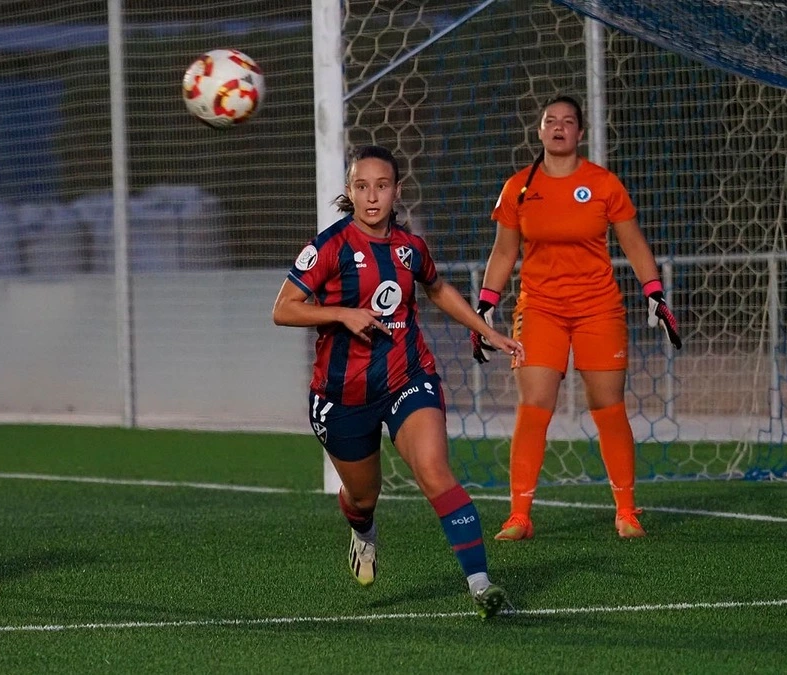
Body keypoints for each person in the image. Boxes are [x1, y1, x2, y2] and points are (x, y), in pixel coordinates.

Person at [272, 145, 525, 618]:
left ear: (396, 191)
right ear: (349, 191)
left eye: (381, 186)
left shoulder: (410, 248)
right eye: (362, 187)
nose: (372, 197)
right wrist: (342, 314)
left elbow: (437, 288)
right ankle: (363, 532)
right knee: (364, 496)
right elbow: (282, 309)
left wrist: (486, 329)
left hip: (407, 375)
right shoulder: (328, 247)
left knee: (434, 471)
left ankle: (481, 583)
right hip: (341, 395)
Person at [471, 95, 681, 541]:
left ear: (580, 133)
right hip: (540, 308)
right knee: (534, 405)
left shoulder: (603, 184)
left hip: (598, 309)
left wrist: (655, 294)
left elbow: (634, 242)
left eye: (568, 121)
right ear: (540, 130)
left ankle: (626, 510)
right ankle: (519, 517)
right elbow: (505, 250)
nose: (559, 127)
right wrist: (485, 304)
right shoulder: (518, 188)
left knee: (608, 406)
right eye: (551, 121)